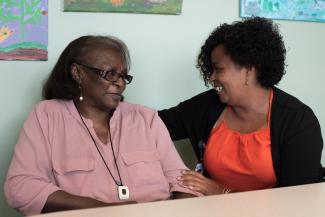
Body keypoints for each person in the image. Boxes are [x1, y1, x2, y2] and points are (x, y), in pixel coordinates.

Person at [4, 35, 199, 215]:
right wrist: (105, 211)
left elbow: (184, 183)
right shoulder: (46, 116)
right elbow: (21, 188)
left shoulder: (146, 118)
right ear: (78, 73)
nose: (120, 83)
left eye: (123, 76)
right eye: (110, 74)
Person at [159, 17, 324, 195]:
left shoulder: (298, 120)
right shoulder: (207, 105)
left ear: (249, 70)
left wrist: (221, 192)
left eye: (218, 69)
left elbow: (297, 199)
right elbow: (152, 125)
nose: (211, 78)